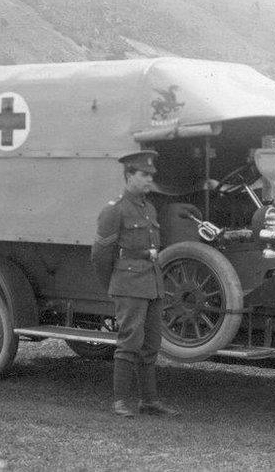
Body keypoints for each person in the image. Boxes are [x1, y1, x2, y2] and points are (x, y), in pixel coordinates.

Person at [91, 150, 178, 418]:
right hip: (128, 284)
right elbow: (100, 255)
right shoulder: (114, 210)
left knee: (151, 344)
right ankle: (120, 401)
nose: (149, 180)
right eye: (144, 175)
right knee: (129, 341)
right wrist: (115, 284)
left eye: (151, 175)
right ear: (129, 175)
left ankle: (149, 401)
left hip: (151, 283)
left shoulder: (149, 208)